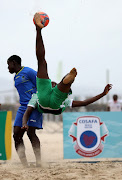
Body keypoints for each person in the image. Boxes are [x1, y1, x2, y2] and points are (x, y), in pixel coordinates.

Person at [22, 13, 112, 130]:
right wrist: (102, 94)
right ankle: (68, 80)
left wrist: (25, 123)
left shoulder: (36, 95)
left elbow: (27, 112)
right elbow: (84, 103)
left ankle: (38, 30)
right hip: (56, 105)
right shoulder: (63, 99)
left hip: (43, 101)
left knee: (41, 62)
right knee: (44, 65)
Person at [7, 55, 43, 167]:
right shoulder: (15, 77)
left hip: (34, 105)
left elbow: (41, 84)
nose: (8, 67)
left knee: (31, 133)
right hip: (23, 107)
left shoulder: (29, 71)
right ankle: (25, 165)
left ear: (13, 63)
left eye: (8, 64)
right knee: (16, 135)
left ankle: (39, 163)